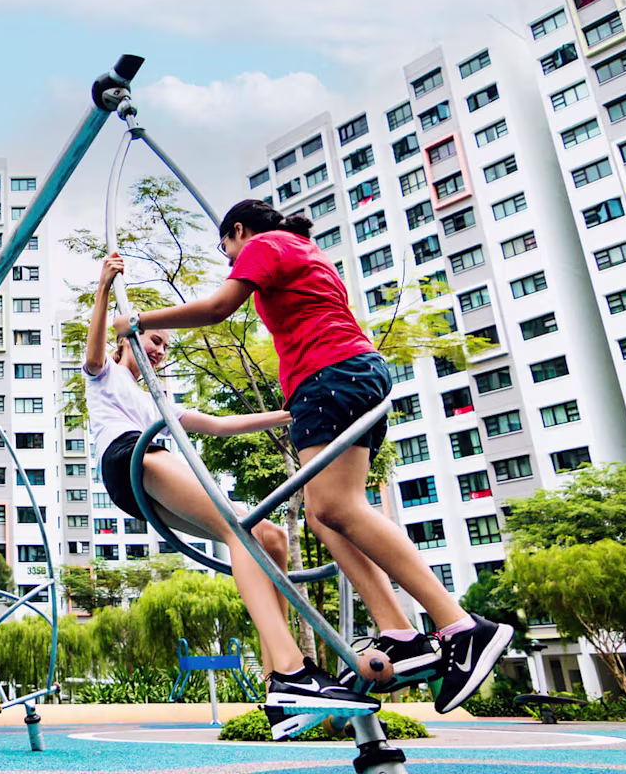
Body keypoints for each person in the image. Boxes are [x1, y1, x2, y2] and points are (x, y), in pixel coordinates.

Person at [124, 199, 514, 717]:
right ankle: (401, 632)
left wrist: (139, 319)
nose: (230, 261)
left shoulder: (264, 245)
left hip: (327, 377)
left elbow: (219, 309)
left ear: (238, 230)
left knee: (341, 508)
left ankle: (460, 626)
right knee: (326, 512)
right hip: (350, 376)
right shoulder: (305, 250)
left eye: (226, 249)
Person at [86, 252, 378, 739]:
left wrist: (295, 411)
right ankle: (290, 671)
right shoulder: (108, 376)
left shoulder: (159, 400)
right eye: (154, 340)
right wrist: (103, 289)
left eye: (164, 346)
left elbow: (219, 426)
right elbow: (94, 355)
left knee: (270, 538)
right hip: (128, 458)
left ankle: (279, 682)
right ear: (129, 337)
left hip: (151, 465)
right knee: (239, 531)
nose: (160, 350)